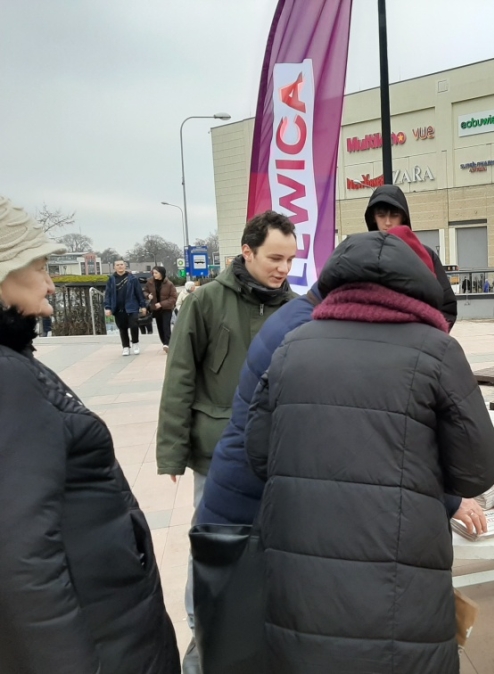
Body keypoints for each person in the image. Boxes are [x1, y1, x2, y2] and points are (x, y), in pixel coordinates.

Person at [244, 228, 494, 673]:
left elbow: (259, 454)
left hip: (302, 585)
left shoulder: (292, 348)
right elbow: (477, 471)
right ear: (419, 285)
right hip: (402, 585)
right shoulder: (437, 351)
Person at [198, 235, 488, 537]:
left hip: (244, 498)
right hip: (247, 513)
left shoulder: (309, 320)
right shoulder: (311, 334)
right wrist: (449, 499)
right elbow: (354, 443)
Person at [0, 196, 179, 673]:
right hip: (106, 636)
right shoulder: (9, 379)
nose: (50, 284)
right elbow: (22, 565)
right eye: (40, 268)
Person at [155, 210, 296, 672]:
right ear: (247, 252)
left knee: (270, 542)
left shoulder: (295, 310)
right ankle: (201, 632)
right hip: (216, 453)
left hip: (276, 454)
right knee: (213, 542)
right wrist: (172, 451)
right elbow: (179, 376)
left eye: (290, 260)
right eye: (275, 258)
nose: (283, 269)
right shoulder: (205, 302)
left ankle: (260, 628)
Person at [364, 184, 457, 329]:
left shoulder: (425, 255)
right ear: (373, 217)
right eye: (381, 215)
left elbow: (447, 305)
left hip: (418, 336)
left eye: (394, 215)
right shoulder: (363, 253)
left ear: (403, 217)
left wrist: (431, 335)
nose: (387, 222)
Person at [104, 259, 147, 356]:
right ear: (114, 267)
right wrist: (108, 307)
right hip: (118, 308)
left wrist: (143, 306)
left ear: (125, 266)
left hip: (132, 307)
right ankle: (125, 347)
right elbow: (108, 295)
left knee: (134, 325)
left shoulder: (132, 278)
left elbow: (139, 293)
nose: (120, 266)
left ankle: (135, 343)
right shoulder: (111, 280)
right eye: (117, 265)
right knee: (122, 328)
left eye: (121, 264)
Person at [145, 265, 177, 351]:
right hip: (155, 308)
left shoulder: (169, 284)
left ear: (161, 273)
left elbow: (173, 297)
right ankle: (164, 343)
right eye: (153, 273)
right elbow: (144, 291)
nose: (154, 274)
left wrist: (162, 304)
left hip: (166, 308)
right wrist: (148, 295)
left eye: (156, 273)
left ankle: (167, 343)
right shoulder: (150, 282)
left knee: (166, 326)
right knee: (160, 327)